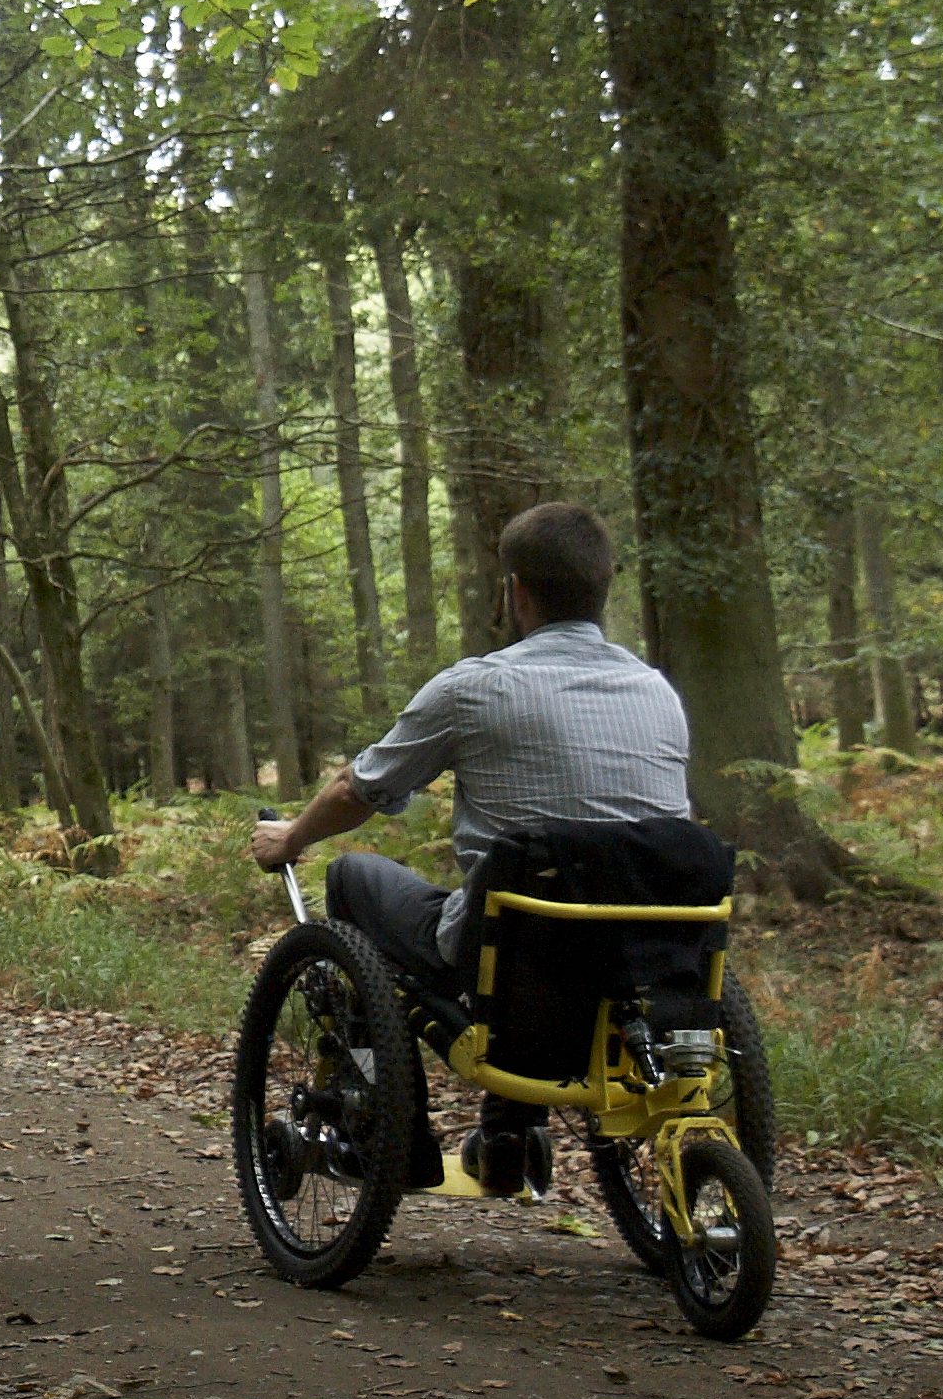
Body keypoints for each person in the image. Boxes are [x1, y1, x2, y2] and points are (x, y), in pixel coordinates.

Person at [248, 501, 692, 1195]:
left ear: (514, 590)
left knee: (355, 879)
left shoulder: (476, 689)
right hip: (643, 957)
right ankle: (508, 1136)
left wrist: (291, 838)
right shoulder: (658, 692)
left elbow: (354, 791)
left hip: (515, 957)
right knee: (538, 922)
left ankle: (397, 1141)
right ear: (604, 586)